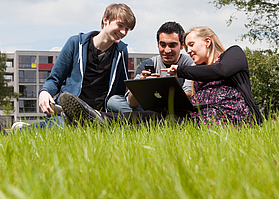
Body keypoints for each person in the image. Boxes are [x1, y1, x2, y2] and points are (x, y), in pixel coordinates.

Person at [59, 26, 263, 126]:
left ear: (207, 42)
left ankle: (97, 121)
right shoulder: (196, 69)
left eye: (191, 45)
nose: (189, 51)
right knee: (156, 116)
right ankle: (95, 119)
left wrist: (179, 70)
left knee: (163, 121)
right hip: (196, 113)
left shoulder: (233, 54)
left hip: (230, 113)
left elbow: (221, 72)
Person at [13, 3, 136, 129]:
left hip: (98, 113)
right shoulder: (76, 43)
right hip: (68, 110)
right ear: (106, 20)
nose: (123, 32)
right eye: (120, 25)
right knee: (59, 128)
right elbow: (55, 78)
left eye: (127, 29)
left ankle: (136, 126)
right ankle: (20, 130)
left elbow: (119, 91)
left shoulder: (121, 51)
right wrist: (44, 91)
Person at [107, 21, 193, 113]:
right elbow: (132, 103)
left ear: (182, 46)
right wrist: (141, 85)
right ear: (157, 44)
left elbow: (189, 95)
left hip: (176, 109)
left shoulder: (189, 64)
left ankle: (142, 119)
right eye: (163, 45)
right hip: (148, 109)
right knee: (114, 101)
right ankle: (149, 118)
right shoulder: (147, 64)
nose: (167, 50)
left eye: (172, 45)